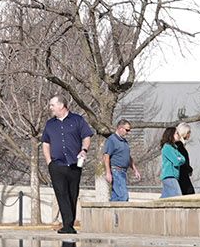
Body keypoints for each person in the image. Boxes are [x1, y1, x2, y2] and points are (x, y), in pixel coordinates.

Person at [40, 96, 93, 234]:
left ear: (61, 105)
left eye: (52, 105)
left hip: (75, 164)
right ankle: (67, 225)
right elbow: (45, 143)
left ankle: (69, 223)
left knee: (72, 193)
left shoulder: (77, 120)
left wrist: (84, 150)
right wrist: (49, 162)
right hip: (56, 164)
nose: (50, 108)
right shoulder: (50, 124)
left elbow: (86, 136)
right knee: (61, 193)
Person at [102, 119, 141, 202]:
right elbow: (106, 156)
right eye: (127, 130)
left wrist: (135, 170)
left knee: (116, 198)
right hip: (116, 170)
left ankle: (111, 214)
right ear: (120, 128)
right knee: (123, 197)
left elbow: (128, 157)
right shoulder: (112, 140)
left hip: (123, 172)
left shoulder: (124, 141)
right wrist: (108, 172)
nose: (128, 132)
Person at [159, 125, 190, 198]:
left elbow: (183, 158)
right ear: (171, 134)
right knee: (177, 195)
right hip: (169, 176)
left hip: (174, 176)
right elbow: (176, 161)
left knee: (165, 197)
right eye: (177, 133)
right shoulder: (167, 147)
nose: (179, 135)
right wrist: (179, 159)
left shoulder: (174, 148)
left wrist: (180, 159)